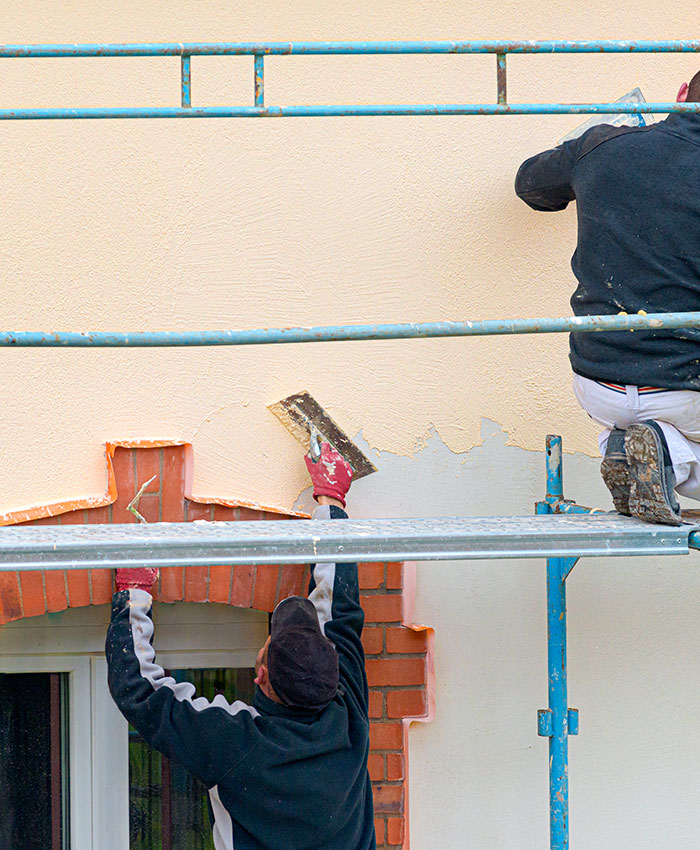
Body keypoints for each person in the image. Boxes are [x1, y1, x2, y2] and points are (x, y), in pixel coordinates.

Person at [105, 443, 376, 850]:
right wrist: (332, 501)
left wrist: (132, 593)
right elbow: (341, 608)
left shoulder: (238, 745)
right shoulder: (348, 716)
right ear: (332, 670)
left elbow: (141, 691)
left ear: (261, 675)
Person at [515, 71, 700, 525]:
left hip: (597, 379)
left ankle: (640, 447)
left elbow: (530, 185)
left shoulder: (602, 145)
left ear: (679, 97)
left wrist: (600, 156)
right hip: (688, 387)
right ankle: (667, 453)